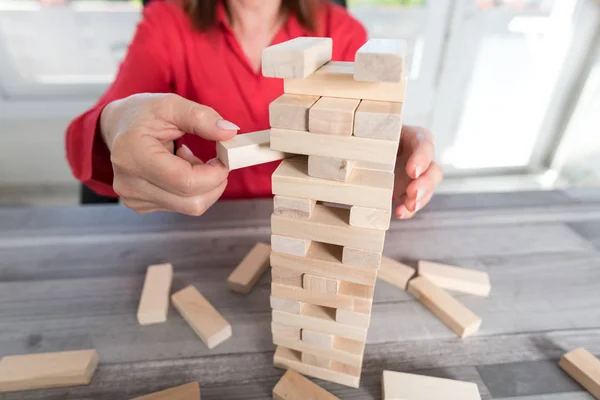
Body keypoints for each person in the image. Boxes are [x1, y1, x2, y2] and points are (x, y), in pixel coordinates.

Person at [65, 0, 442, 219]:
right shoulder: (168, 21)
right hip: (199, 228)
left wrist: (380, 161)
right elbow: (89, 136)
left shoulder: (341, 31)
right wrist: (113, 126)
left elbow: (359, 144)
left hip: (308, 218)